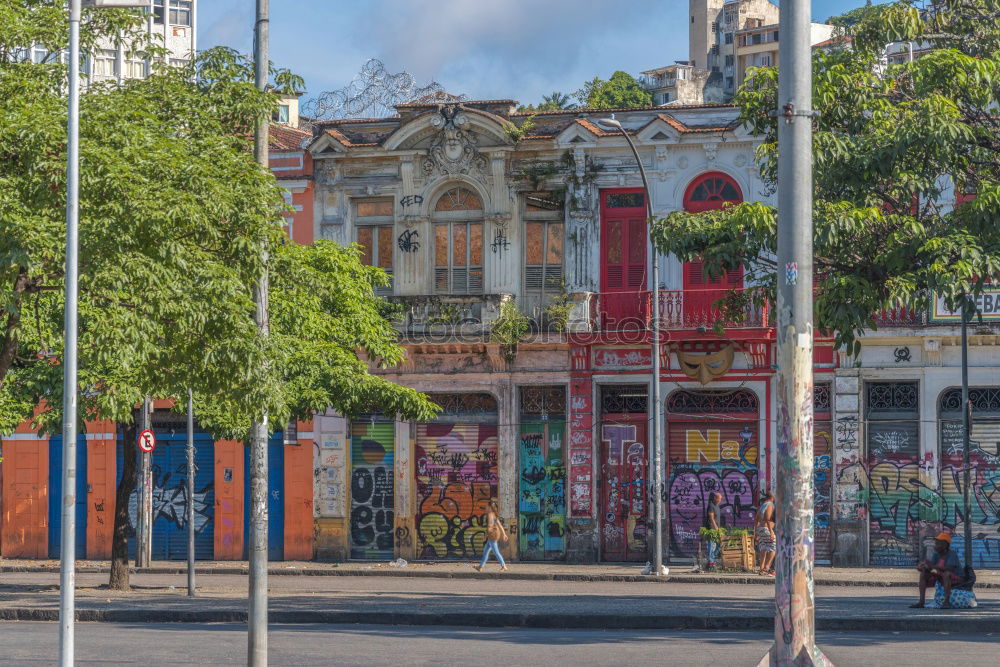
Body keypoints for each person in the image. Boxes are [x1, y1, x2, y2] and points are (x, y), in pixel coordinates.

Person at [912, 532, 963, 609]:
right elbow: (933, 569)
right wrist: (924, 567)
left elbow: (950, 568)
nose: (935, 545)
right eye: (935, 543)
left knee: (946, 574)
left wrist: (933, 566)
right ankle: (921, 602)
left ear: (945, 545)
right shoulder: (936, 554)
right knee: (923, 573)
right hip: (942, 576)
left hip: (956, 577)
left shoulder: (952, 554)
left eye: (938, 543)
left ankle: (946, 602)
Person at [475, 500, 509, 572]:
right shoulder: (494, 514)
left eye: (487, 506)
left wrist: (485, 536)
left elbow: (489, 527)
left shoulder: (490, 515)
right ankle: (480, 566)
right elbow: (500, 526)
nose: (486, 507)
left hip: (492, 536)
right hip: (493, 536)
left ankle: (503, 566)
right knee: (486, 551)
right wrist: (504, 534)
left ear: (490, 507)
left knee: (496, 552)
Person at [755, 491, 776, 576]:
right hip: (766, 528)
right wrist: (771, 532)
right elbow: (767, 518)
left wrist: (756, 531)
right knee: (774, 547)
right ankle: (766, 568)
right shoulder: (770, 505)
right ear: (772, 498)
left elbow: (756, 519)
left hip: (760, 529)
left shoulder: (762, 505)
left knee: (763, 548)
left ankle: (761, 569)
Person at [704, 492, 725, 570]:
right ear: (715, 498)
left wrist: (719, 528)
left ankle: (711, 559)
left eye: (721, 499)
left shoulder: (717, 506)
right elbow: (711, 518)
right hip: (711, 529)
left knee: (718, 545)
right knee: (711, 545)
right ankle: (710, 562)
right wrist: (715, 527)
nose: (720, 500)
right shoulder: (711, 506)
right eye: (719, 499)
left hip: (717, 529)